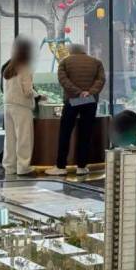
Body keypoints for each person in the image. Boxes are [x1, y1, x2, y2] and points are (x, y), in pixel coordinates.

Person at [45, 44, 105, 176]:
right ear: (84, 51)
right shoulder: (96, 62)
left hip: (73, 100)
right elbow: (101, 80)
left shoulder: (65, 62)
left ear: (71, 51)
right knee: (85, 134)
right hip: (90, 100)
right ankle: (82, 167)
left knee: (65, 133)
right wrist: (89, 92)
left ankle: (61, 166)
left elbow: (63, 80)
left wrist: (78, 93)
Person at [2, 37, 38, 177]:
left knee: (10, 138)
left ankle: (9, 167)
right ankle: (23, 167)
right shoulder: (25, 67)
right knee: (24, 138)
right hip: (21, 106)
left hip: (8, 105)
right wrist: (38, 95)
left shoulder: (9, 67)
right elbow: (27, 91)